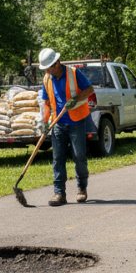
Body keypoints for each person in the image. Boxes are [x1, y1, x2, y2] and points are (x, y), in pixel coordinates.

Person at [39, 47, 95, 206]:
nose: (47, 71)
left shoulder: (74, 73)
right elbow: (46, 103)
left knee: (79, 156)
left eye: (48, 67)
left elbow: (90, 89)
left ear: (56, 63)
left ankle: (82, 188)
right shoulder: (47, 79)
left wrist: (76, 99)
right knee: (57, 158)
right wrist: (44, 123)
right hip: (58, 123)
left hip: (76, 121)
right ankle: (59, 193)